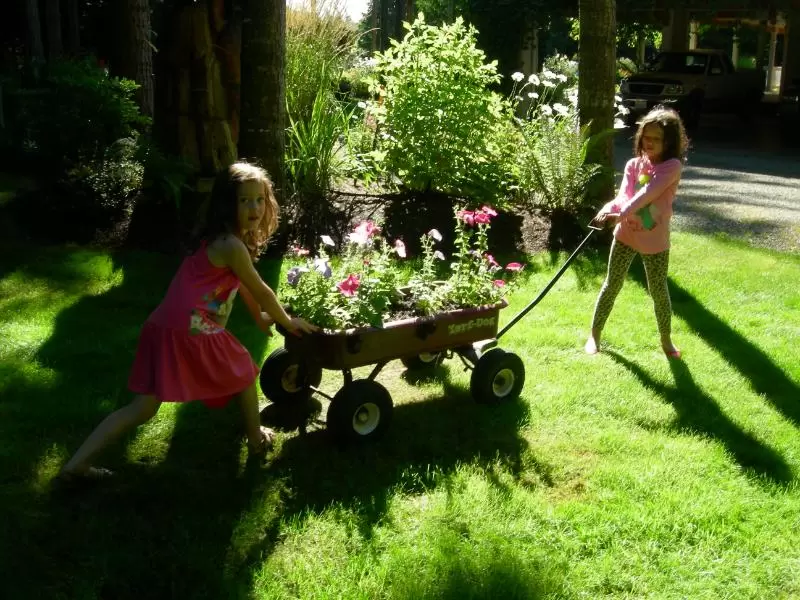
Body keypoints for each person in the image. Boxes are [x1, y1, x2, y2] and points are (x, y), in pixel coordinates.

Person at [57, 162, 318, 483]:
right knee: (245, 370)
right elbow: (261, 290)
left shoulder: (221, 240)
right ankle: (255, 440)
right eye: (244, 200)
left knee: (142, 408)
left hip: (164, 323)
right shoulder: (232, 245)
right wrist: (288, 321)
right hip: (193, 324)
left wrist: (262, 319)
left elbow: (246, 290)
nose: (254, 208)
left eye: (260, 199)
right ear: (227, 203)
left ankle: (77, 464)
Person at [585, 105, 689, 358]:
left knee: (658, 291)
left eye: (656, 139)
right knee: (612, 284)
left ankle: (666, 340)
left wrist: (620, 214)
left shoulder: (671, 167)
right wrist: (607, 210)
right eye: (646, 137)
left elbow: (647, 194)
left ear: (669, 141)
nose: (649, 142)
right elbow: (624, 196)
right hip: (626, 236)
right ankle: (594, 336)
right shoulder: (633, 164)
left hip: (655, 241)